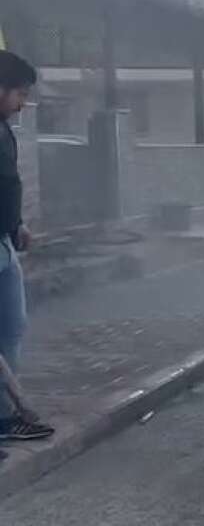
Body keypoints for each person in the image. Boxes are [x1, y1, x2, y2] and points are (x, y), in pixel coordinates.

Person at [0, 51, 54, 442]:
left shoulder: (4, 130)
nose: (23, 104)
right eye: (19, 94)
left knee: (12, 327)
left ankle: (5, 418)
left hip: (4, 243)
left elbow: (7, 184)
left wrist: (16, 224)